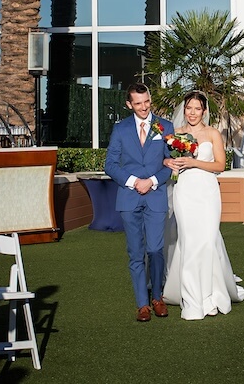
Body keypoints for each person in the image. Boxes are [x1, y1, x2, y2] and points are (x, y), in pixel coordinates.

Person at [162, 90, 244, 320]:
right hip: (185, 191)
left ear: (204, 111)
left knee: (208, 241)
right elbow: (163, 157)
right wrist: (169, 162)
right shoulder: (175, 134)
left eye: (197, 108)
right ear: (184, 109)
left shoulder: (213, 134)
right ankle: (193, 300)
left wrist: (193, 162)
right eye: (188, 107)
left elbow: (220, 165)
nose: (192, 112)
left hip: (208, 192)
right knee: (190, 243)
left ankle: (212, 295)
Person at [105, 83, 174, 322]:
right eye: (138, 103)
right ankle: (142, 304)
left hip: (155, 196)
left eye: (146, 101)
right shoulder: (120, 129)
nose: (144, 107)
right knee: (135, 253)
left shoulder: (165, 126)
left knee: (155, 249)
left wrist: (153, 180)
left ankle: (157, 297)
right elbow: (110, 165)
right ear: (129, 104)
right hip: (129, 198)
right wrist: (134, 181)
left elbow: (170, 164)